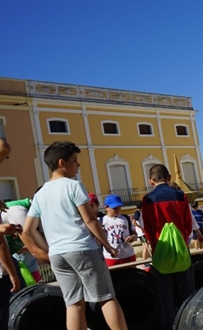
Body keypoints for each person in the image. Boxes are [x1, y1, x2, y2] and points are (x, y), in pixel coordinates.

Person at [21, 141, 127, 330]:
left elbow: (28, 230)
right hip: (82, 249)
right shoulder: (74, 186)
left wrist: (47, 249)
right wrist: (109, 246)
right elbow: (91, 220)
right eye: (75, 160)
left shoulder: (40, 193)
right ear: (62, 162)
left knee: (74, 303)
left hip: (58, 255)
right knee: (106, 297)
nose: (78, 165)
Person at [141, 164, 203, 330]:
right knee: (188, 288)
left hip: (161, 249)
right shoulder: (180, 195)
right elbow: (187, 223)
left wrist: (155, 246)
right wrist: (183, 241)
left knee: (165, 292)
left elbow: (147, 228)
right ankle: (190, 321)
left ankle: (170, 323)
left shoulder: (147, 200)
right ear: (168, 178)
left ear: (150, 181)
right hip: (181, 248)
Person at [100, 195, 137, 267]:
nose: (118, 210)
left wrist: (133, 237)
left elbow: (134, 233)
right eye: (114, 208)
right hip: (111, 257)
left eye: (119, 207)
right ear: (106, 207)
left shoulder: (125, 218)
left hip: (128, 255)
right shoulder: (102, 221)